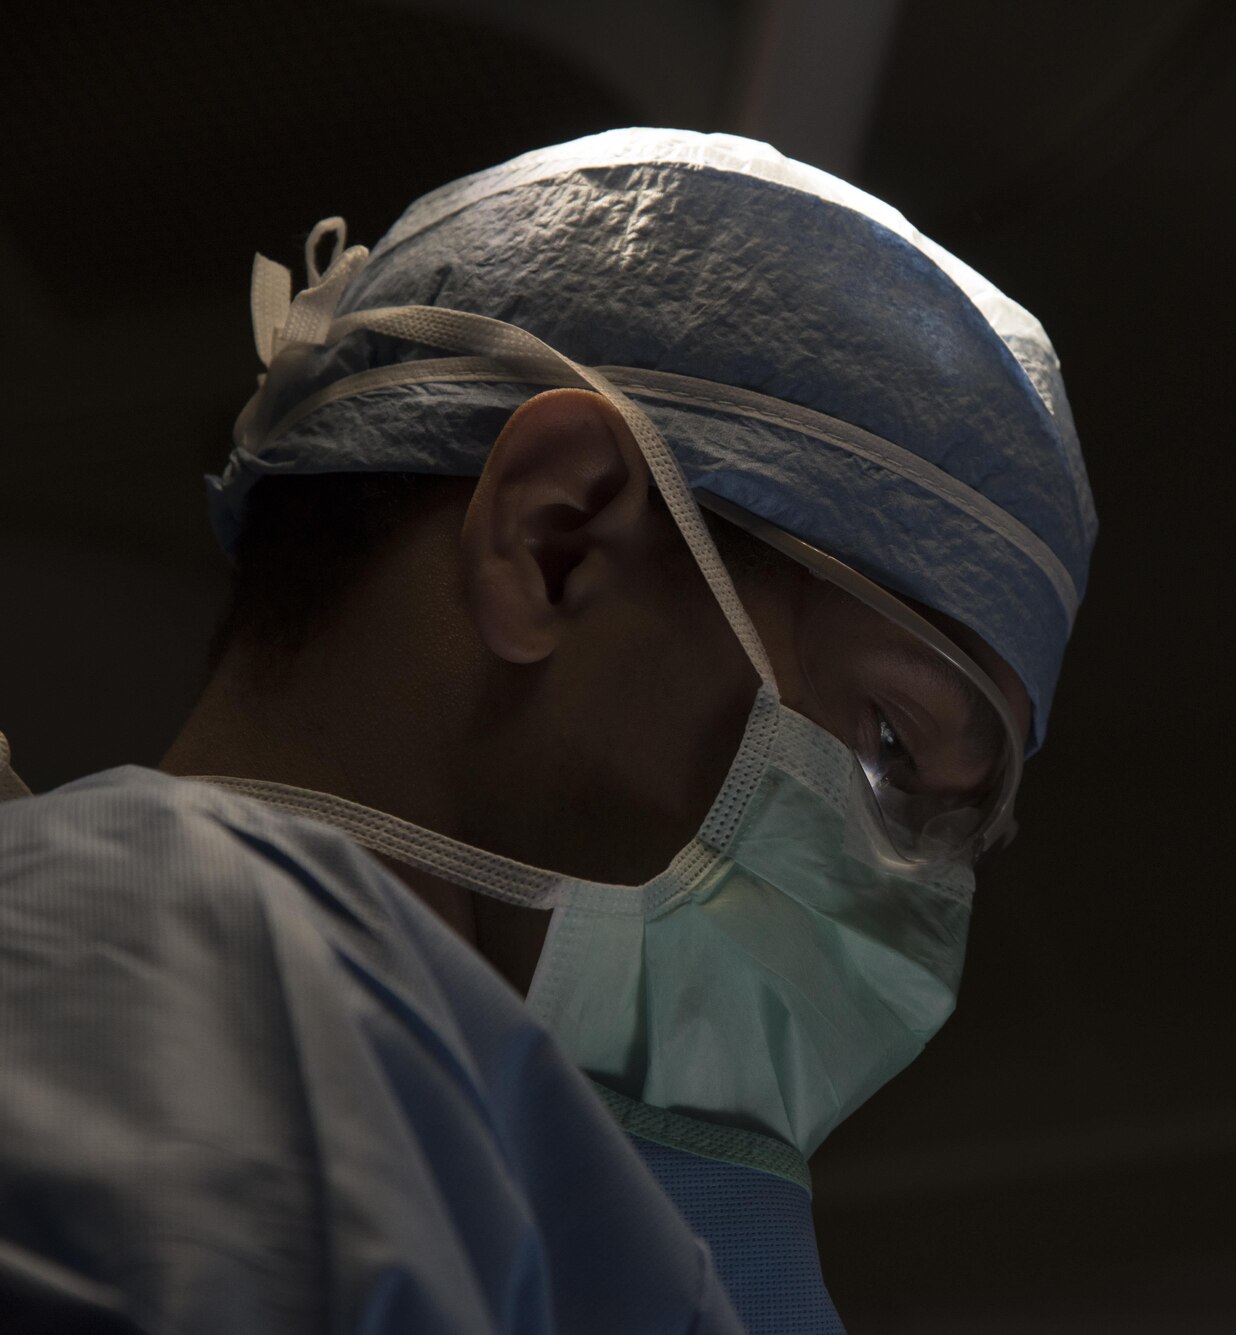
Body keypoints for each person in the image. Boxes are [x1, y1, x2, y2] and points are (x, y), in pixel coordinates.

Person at [0, 128, 1096, 1333]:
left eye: (950, 832)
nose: (907, 917)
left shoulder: (534, 1196)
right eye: (891, 746)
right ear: (554, 540)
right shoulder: (176, 971)